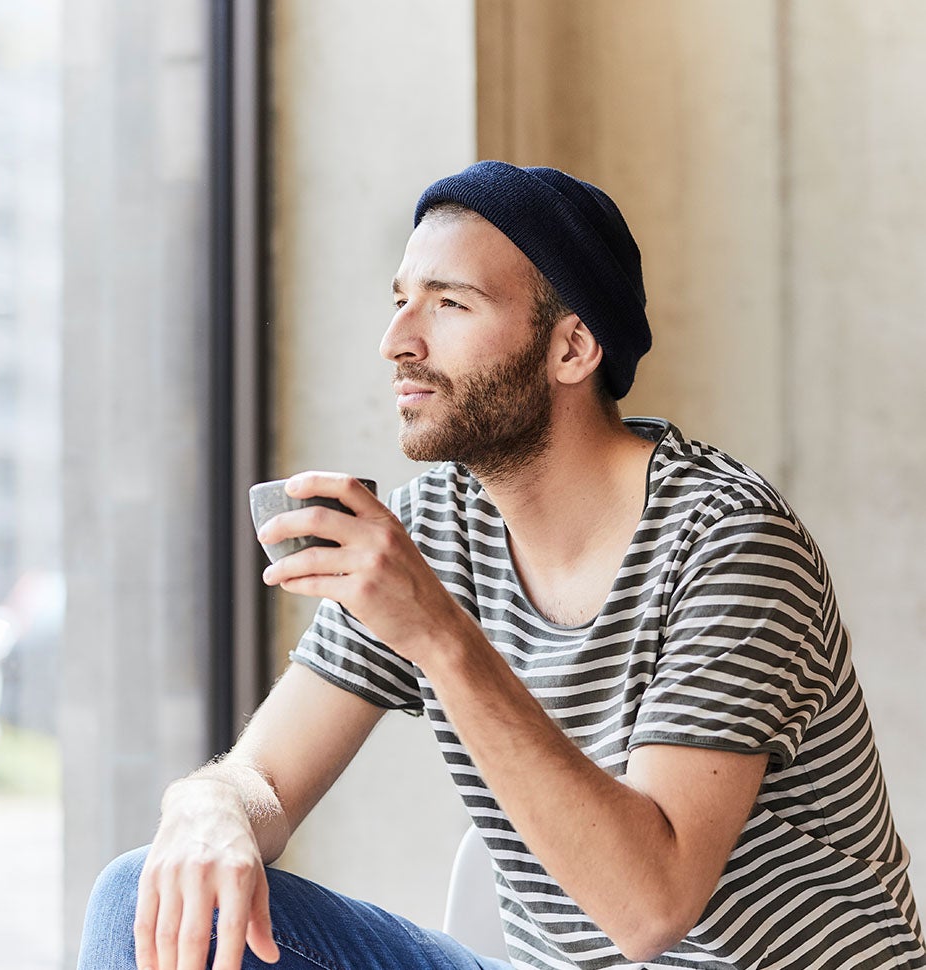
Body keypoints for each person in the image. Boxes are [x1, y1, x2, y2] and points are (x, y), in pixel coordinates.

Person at [77, 161, 926, 970]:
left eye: (450, 304)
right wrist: (210, 808)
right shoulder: (433, 528)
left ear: (571, 350)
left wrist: (439, 636)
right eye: (401, 301)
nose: (397, 342)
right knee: (136, 895)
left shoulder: (729, 543)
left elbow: (651, 908)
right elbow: (262, 775)